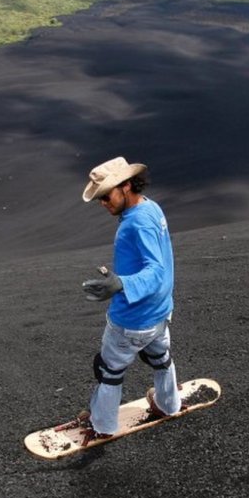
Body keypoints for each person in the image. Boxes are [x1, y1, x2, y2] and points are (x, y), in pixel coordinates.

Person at [79, 156, 180, 440]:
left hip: (132, 318)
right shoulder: (151, 208)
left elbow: (156, 270)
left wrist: (120, 283)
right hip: (160, 311)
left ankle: (102, 425)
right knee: (160, 358)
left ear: (125, 186)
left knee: (108, 369)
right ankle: (168, 404)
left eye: (106, 195)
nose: (103, 203)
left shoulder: (136, 224)